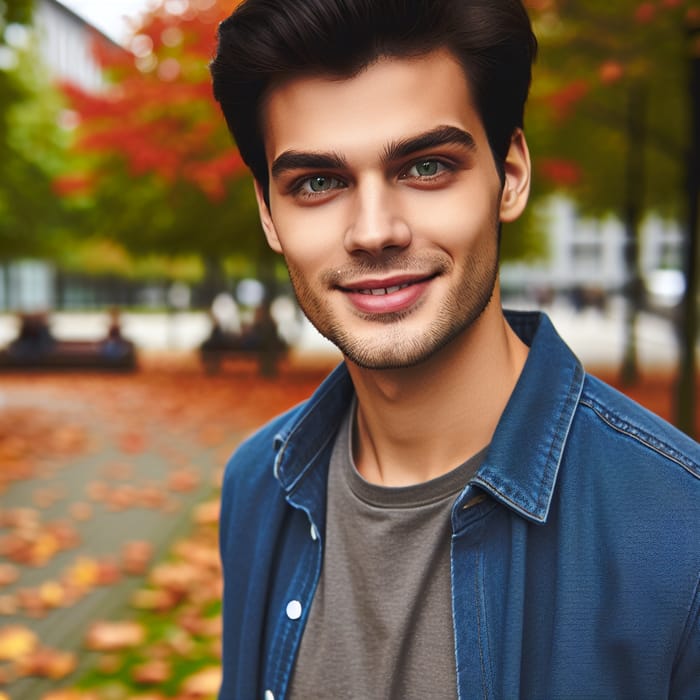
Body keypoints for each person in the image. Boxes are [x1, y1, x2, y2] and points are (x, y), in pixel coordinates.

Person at [210, 1, 700, 698]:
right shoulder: (257, 483)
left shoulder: (682, 531)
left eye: (427, 167)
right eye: (318, 183)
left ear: (511, 173)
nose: (374, 231)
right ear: (268, 213)